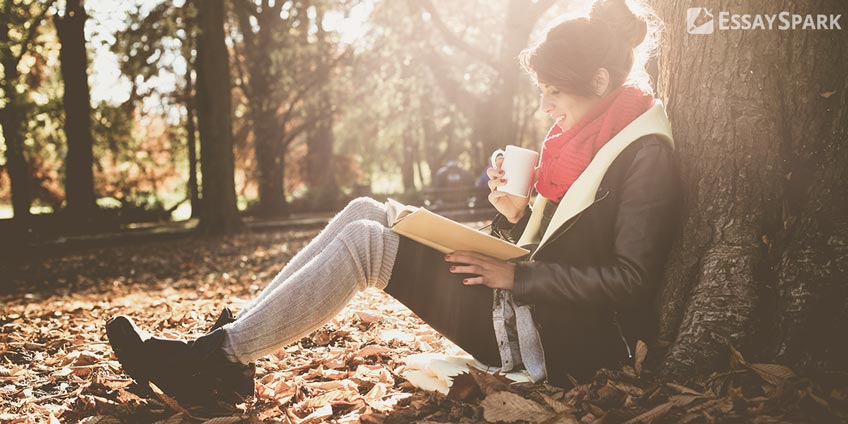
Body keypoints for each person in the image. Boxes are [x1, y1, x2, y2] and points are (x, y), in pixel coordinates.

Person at [105, 0, 681, 407]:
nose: (547, 107)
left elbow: (629, 280)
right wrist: (512, 215)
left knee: (367, 246)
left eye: (555, 92)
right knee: (364, 210)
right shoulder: (584, 137)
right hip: (530, 302)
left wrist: (516, 276)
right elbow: (555, 239)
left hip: (569, 340)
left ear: (600, 80)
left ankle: (215, 362)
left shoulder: (643, 152)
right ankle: (237, 344)